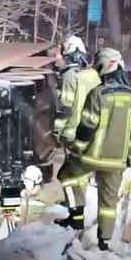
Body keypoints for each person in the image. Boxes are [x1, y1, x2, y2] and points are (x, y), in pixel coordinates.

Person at [72, 48, 131, 252]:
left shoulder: (98, 94)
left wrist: (76, 151)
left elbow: (86, 128)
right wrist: (126, 156)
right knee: (109, 204)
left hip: (92, 158)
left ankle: (74, 220)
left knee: (70, 178)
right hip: (116, 162)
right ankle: (104, 241)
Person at [53, 36, 101, 231]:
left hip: (74, 134)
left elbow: (66, 107)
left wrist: (58, 130)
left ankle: (76, 217)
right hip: (93, 132)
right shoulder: (93, 75)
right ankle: (78, 213)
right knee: (80, 174)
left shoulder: (69, 76)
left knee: (67, 175)